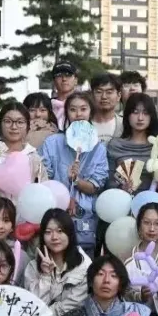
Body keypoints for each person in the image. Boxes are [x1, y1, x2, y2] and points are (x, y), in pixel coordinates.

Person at [39, 92, 109, 256]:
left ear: (91, 112)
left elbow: (96, 186)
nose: (78, 114)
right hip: (55, 212)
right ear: (67, 113)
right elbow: (43, 179)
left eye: (83, 109)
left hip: (85, 216)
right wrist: (64, 198)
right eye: (73, 109)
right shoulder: (52, 142)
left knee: (83, 261)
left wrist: (77, 180)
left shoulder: (99, 148)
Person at [24, 209, 91, 316]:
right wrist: (45, 276)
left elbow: (72, 305)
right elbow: (33, 307)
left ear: (70, 233)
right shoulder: (33, 267)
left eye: (60, 231)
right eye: (48, 232)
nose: (54, 237)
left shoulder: (84, 266)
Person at [0, 102, 47, 202]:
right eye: (8, 121)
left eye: (20, 122)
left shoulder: (33, 158)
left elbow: (43, 192)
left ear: (28, 126)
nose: (14, 127)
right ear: (0, 124)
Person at [107, 93, 158, 193]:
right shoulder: (115, 145)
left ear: (151, 116)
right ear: (127, 115)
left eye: (145, 113)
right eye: (135, 112)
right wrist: (122, 188)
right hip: (121, 200)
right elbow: (107, 182)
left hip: (152, 200)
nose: (140, 118)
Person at [91, 73, 124, 143]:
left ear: (119, 96)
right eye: (99, 92)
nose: (104, 97)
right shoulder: (83, 125)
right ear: (92, 95)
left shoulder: (125, 125)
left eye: (109, 92)